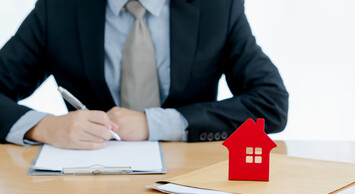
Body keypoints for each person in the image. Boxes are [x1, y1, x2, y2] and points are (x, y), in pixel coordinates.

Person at [0, 0, 288, 150]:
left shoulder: (217, 7)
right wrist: (43, 127)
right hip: (87, 189)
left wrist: (157, 124)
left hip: (189, 187)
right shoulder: (59, 8)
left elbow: (270, 103)